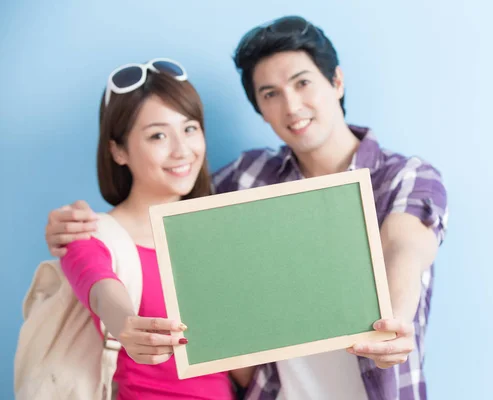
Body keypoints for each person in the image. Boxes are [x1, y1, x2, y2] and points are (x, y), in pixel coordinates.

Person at [44, 16, 448, 400]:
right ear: (259, 108)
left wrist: (395, 321)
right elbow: (165, 200)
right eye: (270, 94)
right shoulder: (248, 177)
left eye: (302, 83)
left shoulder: (403, 176)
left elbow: (405, 246)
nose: (291, 106)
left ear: (336, 81)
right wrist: (72, 229)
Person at [54, 58, 241, 399]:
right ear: (118, 150)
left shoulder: (219, 236)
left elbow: (242, 369)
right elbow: (102, 292)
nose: (182, 150)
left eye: (190, 128)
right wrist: (126, 323)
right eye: (158, 135)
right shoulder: (89, 236)